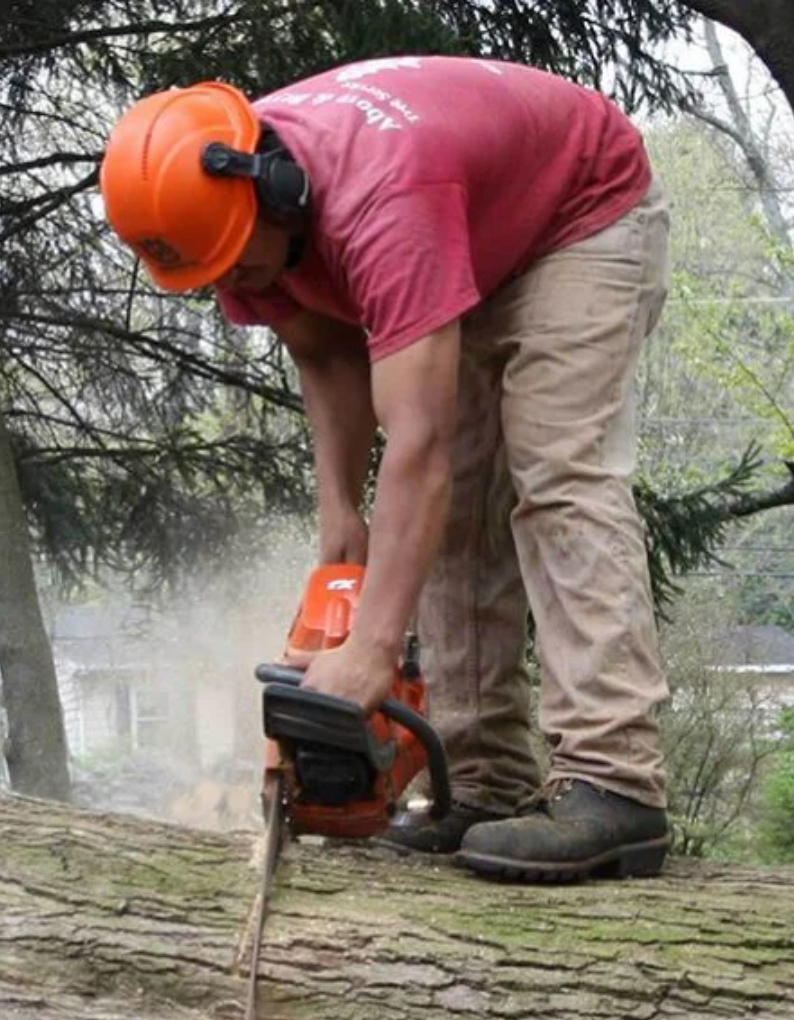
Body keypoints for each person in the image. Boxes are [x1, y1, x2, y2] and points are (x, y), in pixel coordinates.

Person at [98, 56, 672, 883]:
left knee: (557, 475)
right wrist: (341, 516)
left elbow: (419, 449)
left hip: (579, 212)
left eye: (239, 266)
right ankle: (485, 780)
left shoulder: (382, 202)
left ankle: (617, 785)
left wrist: (373, 646)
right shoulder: (223, 219)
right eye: (214, 274)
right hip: (472, 231)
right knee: (459, 514)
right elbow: (324, 349)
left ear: (272, 188)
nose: (233, 287)